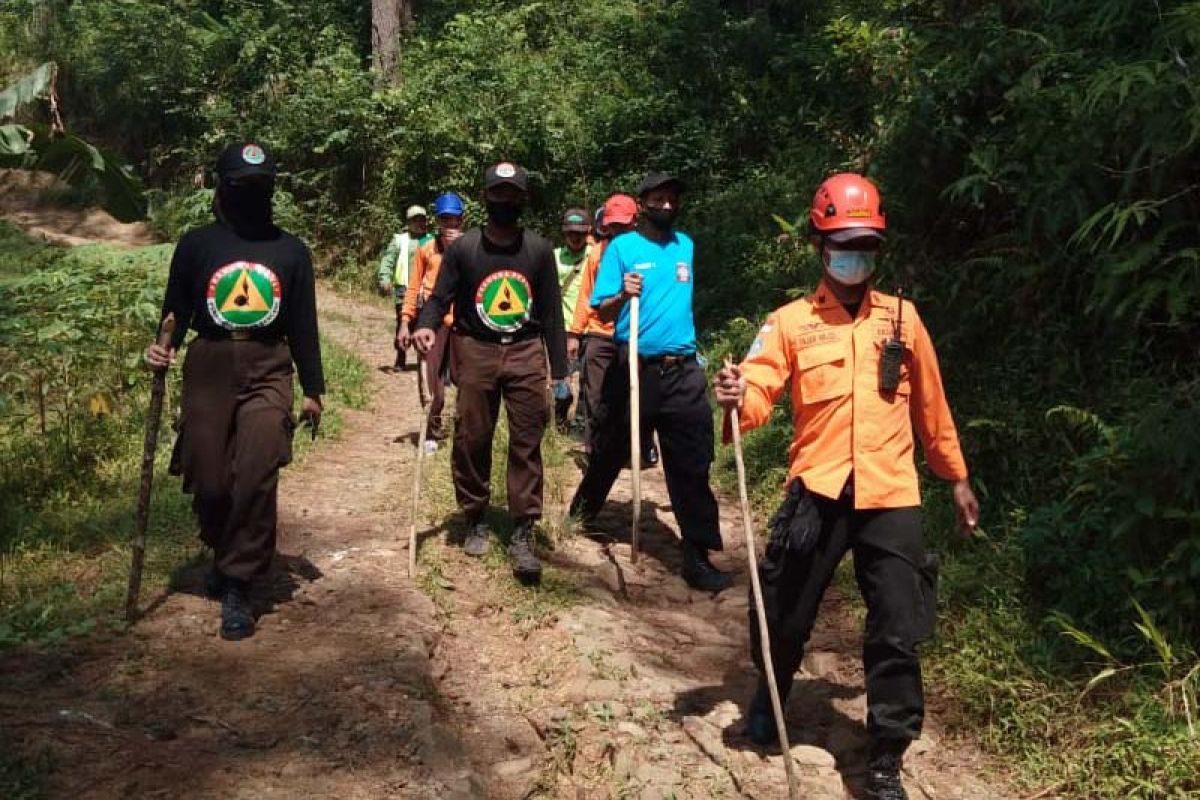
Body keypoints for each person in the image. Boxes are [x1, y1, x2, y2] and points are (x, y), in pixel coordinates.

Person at [712, 173, 980, 800]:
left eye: (864, 244)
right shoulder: (788, 323)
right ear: (819, 243)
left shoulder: (904, 320)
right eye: (842, 242)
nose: (854, 255)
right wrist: (734, 395)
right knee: (783, 610)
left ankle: (886, 753)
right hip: (818, 489)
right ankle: (770, 697)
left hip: (892, 493)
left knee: (897, 625)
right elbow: (755, 392)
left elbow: (932, 408)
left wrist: (957, 477)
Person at [144, 141, 324, 641]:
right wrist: (161, 348)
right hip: (210, 362)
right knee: (210, 476)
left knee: (257, 468)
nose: (250, 195)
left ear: (272, 192)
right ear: (222, 188)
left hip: (269, 362)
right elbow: (175, 309)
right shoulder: (197, 244)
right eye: (241, 186)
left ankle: (239, 583)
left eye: (260, 187)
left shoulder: (290, 251)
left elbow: (304, 325)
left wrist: (313, 389)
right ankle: (224, 549)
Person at [569, 173, 730, 592]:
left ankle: (698, 553)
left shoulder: (686, 246)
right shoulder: (621, 248)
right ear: (643, 204)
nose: (666, 205)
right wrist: (623, 294)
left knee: (692, 462)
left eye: (672, 199)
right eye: (658, 199)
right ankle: (580, 515)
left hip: (683, 369)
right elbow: (600, 313)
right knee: (609, 447)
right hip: (634, 366)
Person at [413, 162, 568, 583]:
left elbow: (552, 314)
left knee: (526, 438)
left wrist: (561, 373)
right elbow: (439, 296)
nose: (505, 201)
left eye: (512, 194)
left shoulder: (537, 250)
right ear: (485, 199)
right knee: (472, 436)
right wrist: (424, 326)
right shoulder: (465, 249)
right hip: (475, 350)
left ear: (523, 200)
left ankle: (523, 529)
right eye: (498, 194)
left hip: (524, 353)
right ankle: (475, 515)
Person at [566, 193, 656, 467]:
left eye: (622, 225)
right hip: (599, 332)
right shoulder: (597, 253)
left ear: (635, 221)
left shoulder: (647, 251)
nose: (616, 231)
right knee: (595, 396)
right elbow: (585, 296)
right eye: (612, 225)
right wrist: (574, 332)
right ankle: (595, 449)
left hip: (635, 334)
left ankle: (641, 446)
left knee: (640, 395)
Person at [398, 192, 466, 452]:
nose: (449, 226)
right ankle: (432, 430)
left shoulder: (470, 248)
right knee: (431, 377)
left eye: (454, 220)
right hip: (432, 322)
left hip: (461, 321)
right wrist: (406, 321)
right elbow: (413, 288)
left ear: (462, 220)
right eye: (444, 220)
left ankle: (465, 428)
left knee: (465, 377)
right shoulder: (426, 249)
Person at [378, 204, 433, 370]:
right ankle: (400, 357)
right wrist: (384, 278)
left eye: (422, 220)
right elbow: (388, 260)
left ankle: (425, 359)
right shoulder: (399, 240)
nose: (419, 223)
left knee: (424, 324)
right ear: (408, 223)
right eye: (415, 220)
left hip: (425, 290)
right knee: (403, 324)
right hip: (404, 290)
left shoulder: (432, 240)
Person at [552, 207, 593, 430]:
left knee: (590, 383)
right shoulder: (554, 257)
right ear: (564, 233)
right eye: (570, 233)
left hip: (591, 329)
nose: (575, 238)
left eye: (580, 233)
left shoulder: (596, 256)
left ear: (588, 232)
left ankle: (580, 424)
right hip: (562, 329)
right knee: (561, 382)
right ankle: (559, 421)